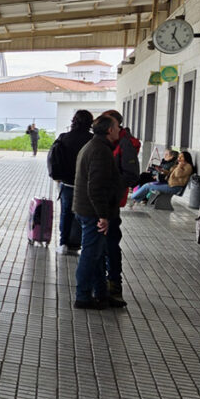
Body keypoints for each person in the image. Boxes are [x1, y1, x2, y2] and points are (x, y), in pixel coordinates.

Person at [72, 115, 127, 309]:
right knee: (90, 255)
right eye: (118, 127)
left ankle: (101, 294)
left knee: (96, 255)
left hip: (87, 209)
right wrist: (102, 215)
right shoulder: (100, 151)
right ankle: (83, 296)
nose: (120, 130)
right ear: (109, 130)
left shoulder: (95, 146)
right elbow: (96, 187)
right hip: (92, 213)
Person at [101, 109, 140, 304]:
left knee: (111, 243)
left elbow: (132, 175)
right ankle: (102, 283)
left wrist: (111, 185)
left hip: (112, 202)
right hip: (102, 201)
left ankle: (114, 284)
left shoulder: (124, 143)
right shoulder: (104, 143)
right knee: (102, 243)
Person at [54, 110, 94, 255]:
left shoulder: (64, 138)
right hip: (86, 185)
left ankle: (63, 243)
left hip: (67, 183)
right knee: (85, 215)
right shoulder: (93, 140)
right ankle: (80, 244)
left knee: (66, 213)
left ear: (73, 121)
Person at [129, 151, 193, 204]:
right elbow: (171, 174)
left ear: (186, 158)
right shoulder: (180, 165)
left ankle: (132, 198)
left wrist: (179, 166)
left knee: (147, 186)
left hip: (174, 187)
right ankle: (136, 199)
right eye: (179, 157)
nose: (179, 158)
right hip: (170, 184)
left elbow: (177, 174)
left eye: (181, 157)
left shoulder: (188, 167)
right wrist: (162, 170)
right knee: (148, 184)